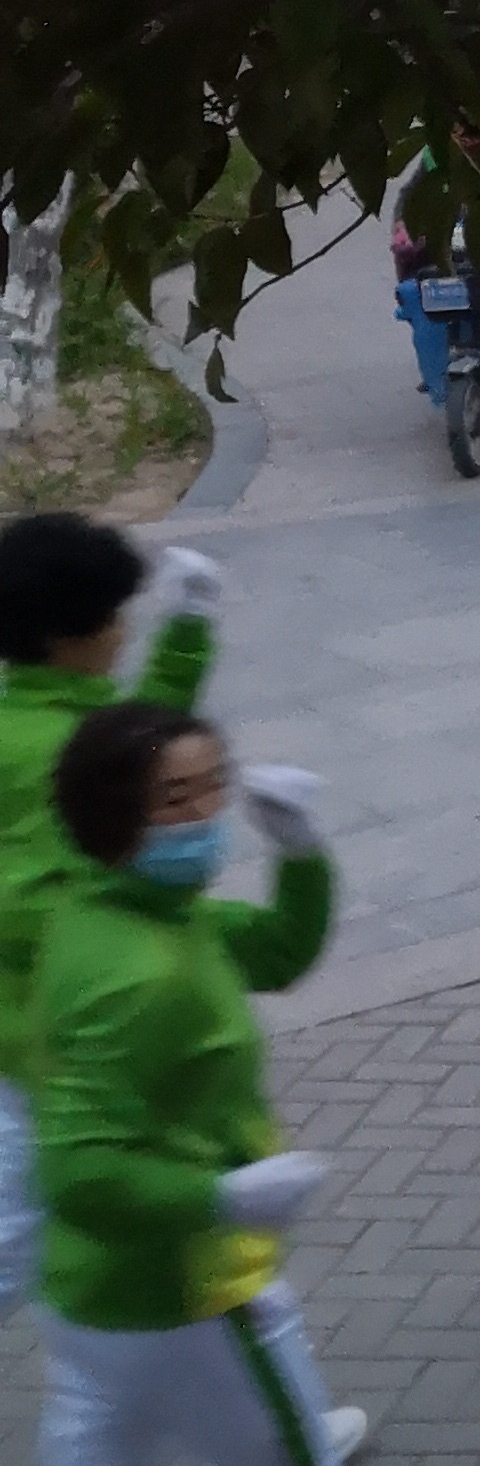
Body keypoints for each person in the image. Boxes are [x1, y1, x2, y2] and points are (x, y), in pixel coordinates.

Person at [0, 704, 365, 1466]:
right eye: (176, 796)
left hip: (97, 1299)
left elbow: (281, 952)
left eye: (216, 782)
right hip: (193, 1293)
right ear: (114, 817)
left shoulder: (139, 910)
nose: (207, 809)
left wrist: (298, 849)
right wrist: (222, 1195)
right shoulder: (133, 971)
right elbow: (77, 1170)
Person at [0, 513, 222, 1318]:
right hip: (58, 1043)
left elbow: (134, 744)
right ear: (76, 634)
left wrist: (189, 631)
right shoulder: (63, 748)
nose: (127, 630)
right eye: (119, 615)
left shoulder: (30, 725)